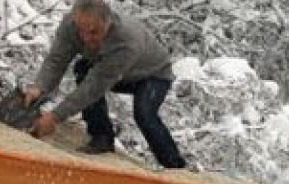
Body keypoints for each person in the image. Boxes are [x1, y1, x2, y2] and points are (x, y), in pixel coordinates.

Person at [25, 0, 186, 169]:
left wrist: (55, 116)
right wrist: (40, 87)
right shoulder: (70, 25)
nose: (86, 38)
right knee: (83, 68)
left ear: (108, 23)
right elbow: (57, 60)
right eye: (81, 31)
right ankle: (101, 137)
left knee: (144, 113)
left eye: (94, 32)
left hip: (154, 74)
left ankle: (174, 166)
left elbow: (94, 86)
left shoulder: (126, 41)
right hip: (117, 71)